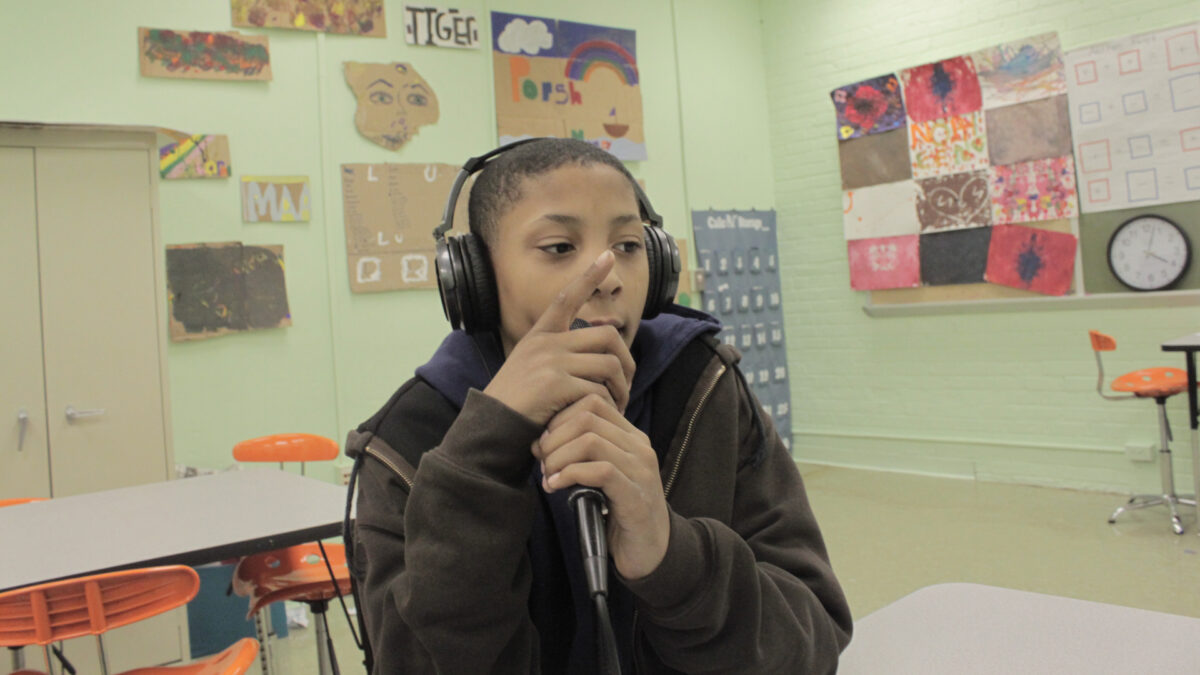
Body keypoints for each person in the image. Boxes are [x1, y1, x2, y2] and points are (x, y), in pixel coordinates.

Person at [344, 138, 852, 673]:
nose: (608, 277)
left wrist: (674, 560)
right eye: (560, 247)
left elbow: (813, 638)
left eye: (629, 246)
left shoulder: (705, 387)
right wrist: (479, 462)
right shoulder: (406, 443)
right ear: (476, 279)